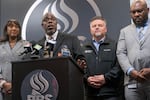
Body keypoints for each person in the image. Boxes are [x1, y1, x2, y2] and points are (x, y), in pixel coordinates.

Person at [82, 16, 123, 100]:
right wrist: (87, 79)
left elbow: (119, 66)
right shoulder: (83, 48)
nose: (97, 27)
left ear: (105, 29)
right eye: (94, 26)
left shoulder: (115, 45)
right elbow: (79, 69)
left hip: (111, 94)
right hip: (90, 94)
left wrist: (105, 78)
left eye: (100, 25)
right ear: (90, 30)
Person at [116, 0, 150, 100]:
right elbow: (121, 53)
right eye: (133, 12)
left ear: (147, 10)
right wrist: (130, 71)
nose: (136, 14)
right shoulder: (124, 31)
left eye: (140, 11)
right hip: (132, 83)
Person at [0, 19, 31, 100]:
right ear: (6, 30)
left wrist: (15, 84)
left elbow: (29, 66)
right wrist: (3, 83)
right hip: (2, 89)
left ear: (19, 30)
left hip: (21, 86)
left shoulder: (26, 45)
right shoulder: (0, 45)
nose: (14, 28)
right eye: (10, 26)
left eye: (16, 27)